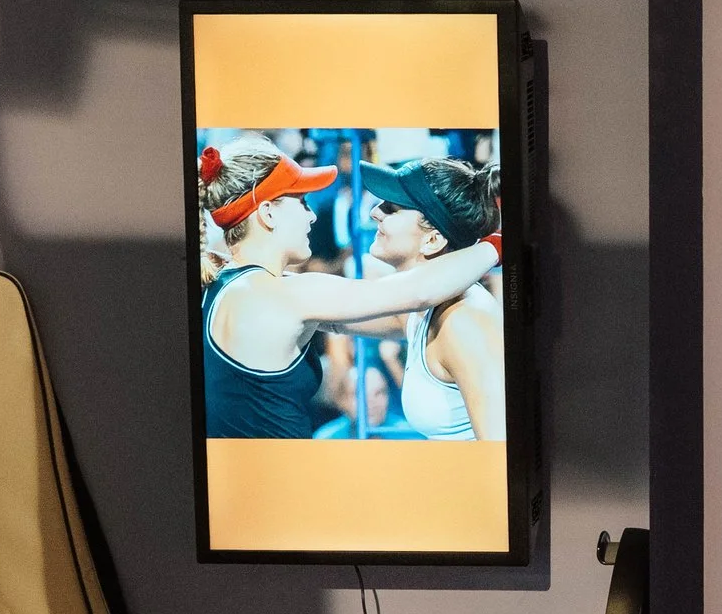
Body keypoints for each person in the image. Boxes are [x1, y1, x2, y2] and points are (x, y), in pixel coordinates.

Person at [198, 136, 500, 438]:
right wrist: (496, 245)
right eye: (302, 202)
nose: (312, 214)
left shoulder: (233, 282)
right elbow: (417, 292)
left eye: (392, 208)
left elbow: (400, 313)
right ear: (267, 213)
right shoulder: (283, 295)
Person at [344, 156, 507, 442]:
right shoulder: (422, 311)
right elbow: (333, 315)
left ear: (432, 240)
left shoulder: (464, 321)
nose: (375, 213)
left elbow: (500, 454)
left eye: (392, 208)